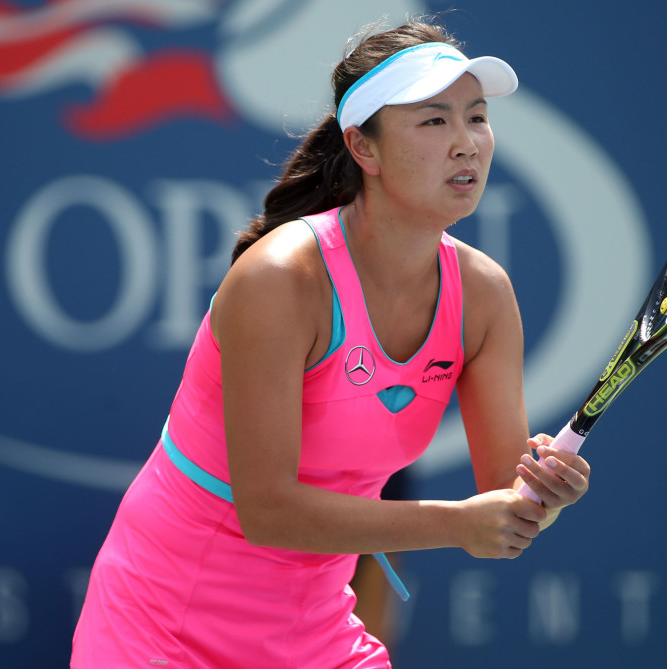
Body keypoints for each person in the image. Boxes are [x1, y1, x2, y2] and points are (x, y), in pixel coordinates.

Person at [71, 19, 591, 668]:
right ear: (363, 149)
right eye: (434, 122)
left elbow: (505, 500)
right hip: (164, 628)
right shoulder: (281, 278)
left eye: (477, 117)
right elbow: (267, 510)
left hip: (314, 632)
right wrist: (459, 522)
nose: (467, 144)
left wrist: (542, 493)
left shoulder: (484, 296)